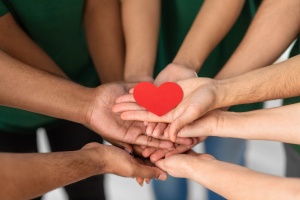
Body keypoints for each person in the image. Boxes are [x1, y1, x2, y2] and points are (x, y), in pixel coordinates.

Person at [0, 0, 166, 199]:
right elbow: (4, 32)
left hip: (87, 84)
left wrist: (115, 103)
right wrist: (86, 102)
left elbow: (98, 5)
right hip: (9, 117)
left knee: (89, 190)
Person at [123, 0, 261, 199]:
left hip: (237, 57)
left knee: (225, 168)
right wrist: (137, 77)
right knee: (164, 169)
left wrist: (188, 64)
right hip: (159, 56)